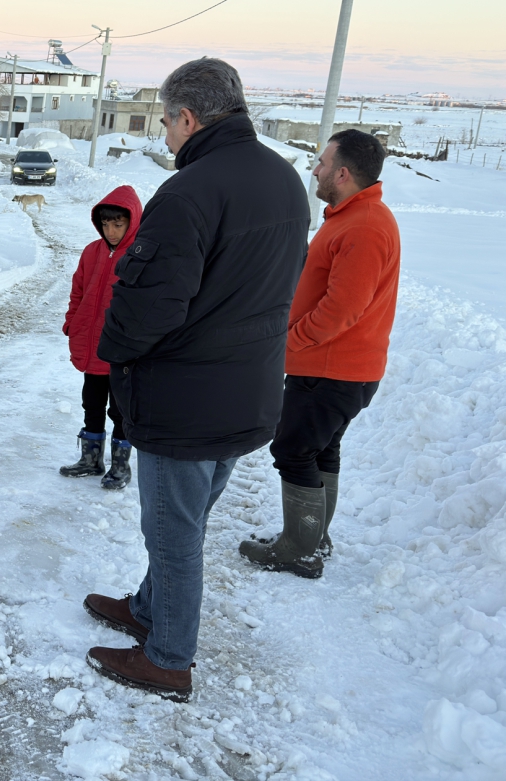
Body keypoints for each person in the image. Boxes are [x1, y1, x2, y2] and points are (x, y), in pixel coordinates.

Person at [82, 58, 309, 702]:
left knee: (174, 533)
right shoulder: (284, 178)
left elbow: (151, 304)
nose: (165, 135)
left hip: (185, 399)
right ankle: (152, 608)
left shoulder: (191, 191)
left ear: (188, 117)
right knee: (184, 521)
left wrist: (115, 355)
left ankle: (170, 658)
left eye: (165, 122)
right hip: (248, 388)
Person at [241, 129, 399, 578]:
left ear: (344, 173)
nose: (315, 169)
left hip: (330, 370)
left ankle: (300, 550)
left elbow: (340, 310)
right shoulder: (351, 217)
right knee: (319, 450)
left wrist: (285, 345)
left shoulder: (365, 225)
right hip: (337, 368)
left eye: (322, 163)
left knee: (293, 450)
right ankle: (313, 539)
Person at [60, 186, 142, 490]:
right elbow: (78, 290)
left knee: (120, 410)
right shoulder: (92, 251)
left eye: (118, 224)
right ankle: (91, 460)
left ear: (131, 222)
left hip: (122, 350)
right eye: (106, 224)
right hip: (92, 344)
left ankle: (121, 466)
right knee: (91, 404)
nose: (111, 230)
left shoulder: (139, 255)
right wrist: (73, 322)